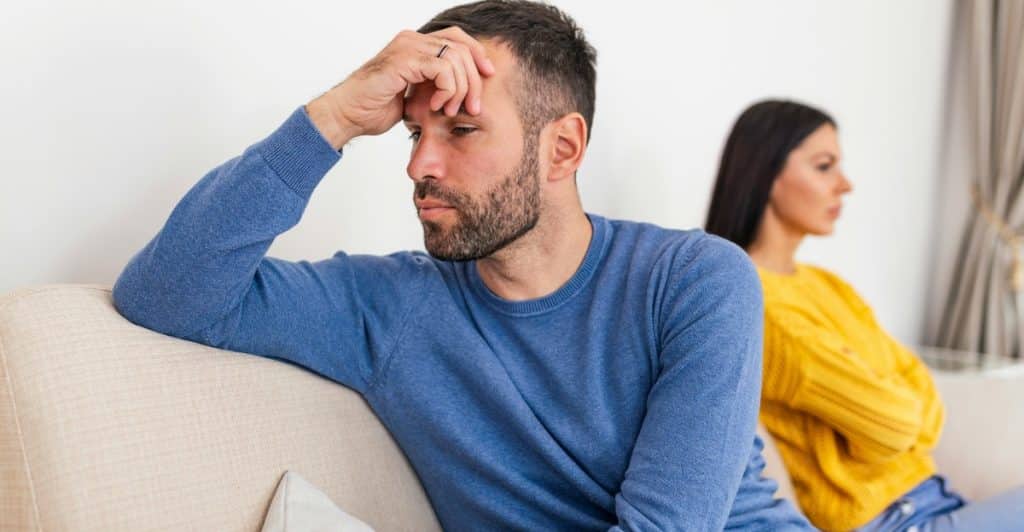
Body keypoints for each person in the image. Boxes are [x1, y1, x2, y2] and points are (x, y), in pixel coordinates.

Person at [113, 2, 811, 529]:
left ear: (563, 150)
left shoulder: (694, 280)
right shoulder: (390, 307)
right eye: (415, 132)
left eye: (462, 129)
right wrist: (335, 117)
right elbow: (165, 294)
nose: (420, 164)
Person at [705, 99, 1024, 531]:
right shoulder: (756, 303)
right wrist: (895, 406)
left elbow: (923, 394)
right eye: (824, 167)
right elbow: (893, 426)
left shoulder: (828, 286)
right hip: (893, 522)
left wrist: (894, 408)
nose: (845, 184)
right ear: (767, 174)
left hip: (938, 502)